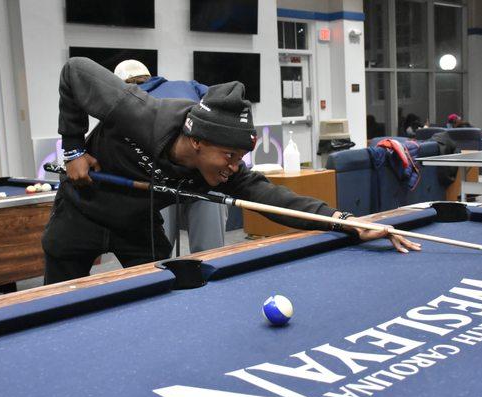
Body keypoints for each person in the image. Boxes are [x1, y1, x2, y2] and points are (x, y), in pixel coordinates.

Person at [42, 57, 420, 284]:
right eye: (228, 156)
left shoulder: (225, 168)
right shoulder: (143, 114)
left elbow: (276, 200)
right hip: (81, 211)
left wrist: (347, 221)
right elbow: (75, 71)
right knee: (48, 308)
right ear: (197, 142)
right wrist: (74, 148)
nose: (234, 167)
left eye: (241, 157)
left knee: (170, 294)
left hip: (138, 222)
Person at [113, 59, 226, 254]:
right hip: (204, 172)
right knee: (211, 254)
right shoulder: (189, 85)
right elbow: (221, 105)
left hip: (161, 178)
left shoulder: (125, 100)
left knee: (160, 255)